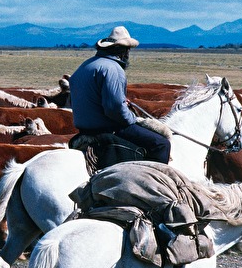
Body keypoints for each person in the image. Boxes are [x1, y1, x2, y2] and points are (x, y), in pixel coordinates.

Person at [68, 25, 172, 165]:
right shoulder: (113, 69)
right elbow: (114, 108)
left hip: (84, 128)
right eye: (128, 50)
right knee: (161, 144)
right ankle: (150, 184)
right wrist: (133, 119)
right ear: (123, 50)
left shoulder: (85, 65)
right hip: (107, 128)